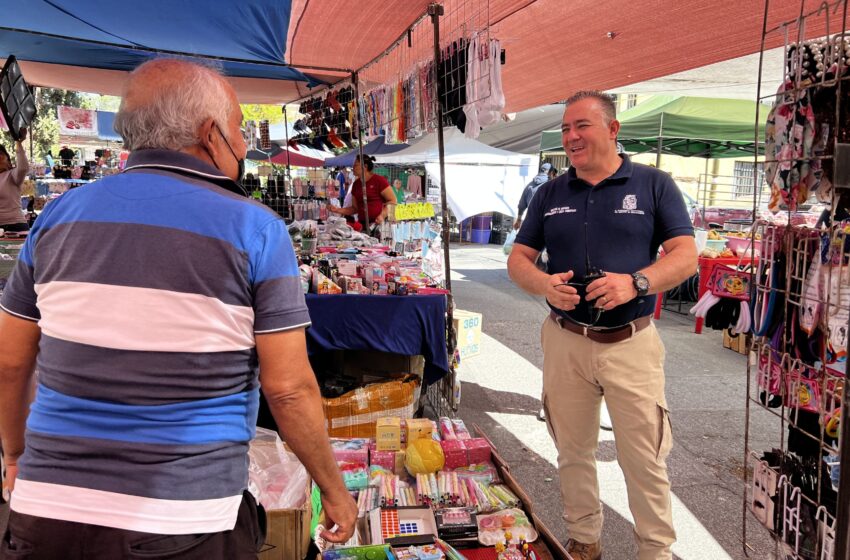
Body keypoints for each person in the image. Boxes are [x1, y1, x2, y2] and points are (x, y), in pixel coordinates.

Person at [0, 59, 356, 559]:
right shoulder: (254, 228)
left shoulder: (59, 216)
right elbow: (290, 388)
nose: (244, 144)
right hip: (184, 520)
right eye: (238, 129)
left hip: (46, 515)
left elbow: (10, 362)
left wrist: (14, 456)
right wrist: (335, 492)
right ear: (212, 135)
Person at [507, 91, 697, 560]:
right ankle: (584, 540)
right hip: (566, 340)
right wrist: (544, 285)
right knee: (572, 451)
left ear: (613, 130)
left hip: (630, 344)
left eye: (582, 126)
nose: (571, 137)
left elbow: (687, 256)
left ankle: (655, 552)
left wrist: (637, 282)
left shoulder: (654, 184)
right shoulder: (551, 193)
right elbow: (518, 258)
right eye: (566, 128)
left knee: (644, 460)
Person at [329, 154, 394, 230]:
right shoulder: (356, 184)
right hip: (362, 225)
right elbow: (354, 208)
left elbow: (392, 201)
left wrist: (383, 215)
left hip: (379, 226)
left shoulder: (379, 181)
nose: (353, 168)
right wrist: (337, 210)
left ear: (365, 167)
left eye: (355, 165)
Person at [0, 128, 30, 233]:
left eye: (0, 154)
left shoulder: (12, 175)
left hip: (15, 226)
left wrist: (18, 142)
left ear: (8, 161)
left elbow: (23, 168)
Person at [513, 162, 553, 230]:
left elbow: (521, 205)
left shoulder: (529, 185)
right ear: (550, 172)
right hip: (547, 222)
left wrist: (519, 219)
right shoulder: (550, 185)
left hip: (531, 221)